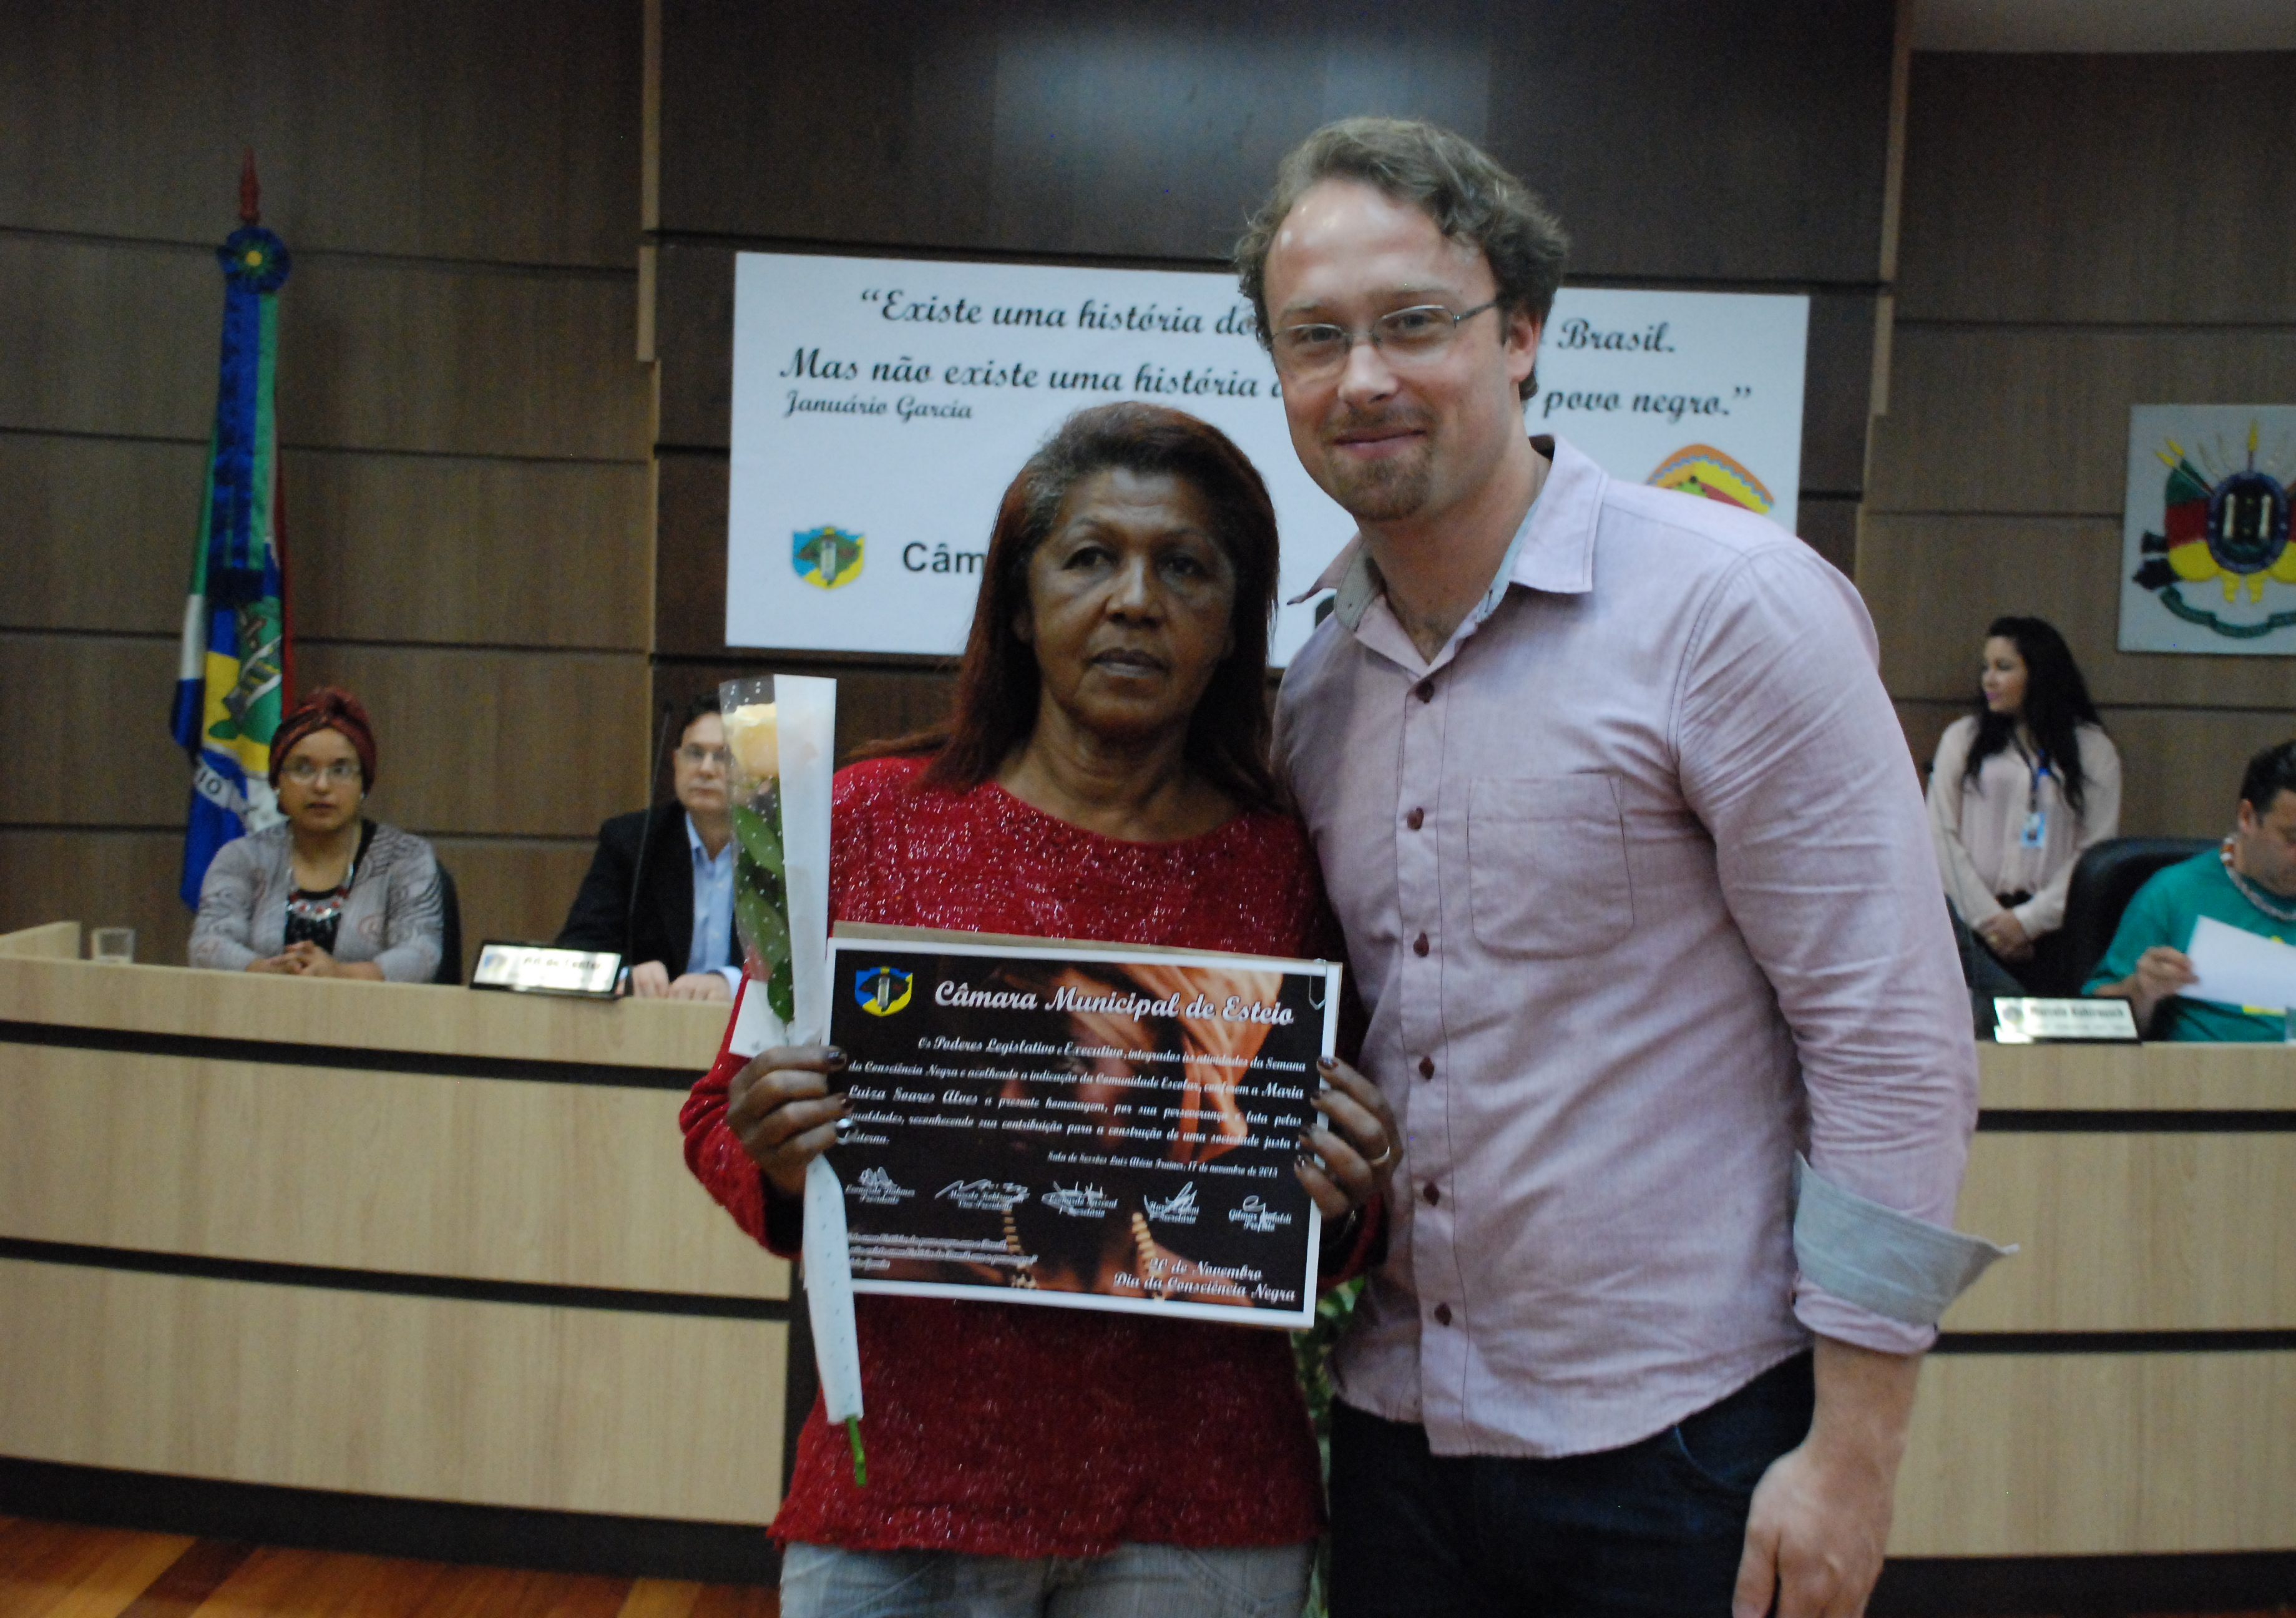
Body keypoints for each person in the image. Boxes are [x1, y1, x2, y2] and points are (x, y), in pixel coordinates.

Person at [1238, 118, 1998, 1618]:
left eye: (1413, 323)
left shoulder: (1731, 610)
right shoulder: (1316, 690)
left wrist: (1856, 1451)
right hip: (1396, 1440)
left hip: (1685, 1447)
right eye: (1313, 338)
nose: (1362, 377)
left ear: (1521, 331)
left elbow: (1890, 1041)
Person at [677, 402, 1404, 1618]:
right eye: (1089, 558)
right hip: (900, 1496)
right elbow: (717, 1116)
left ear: (1234, 625)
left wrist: (1346, 1195)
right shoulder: (851, 822)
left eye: (1186, 568)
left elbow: (1323, 1211)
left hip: (1199, 1514)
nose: (1135, 601)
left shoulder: (1287, 864)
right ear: (1017, 604)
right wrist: (777, 1144)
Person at [2086, 738, 2296, 1042]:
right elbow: (2094, 1025)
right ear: (2247, 817)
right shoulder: (2173, 896)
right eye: (2295, 839)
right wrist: (2142, 991)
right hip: (2206, 1082)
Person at [188, 687, 442, 983]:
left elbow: (421, 953)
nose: (321, 786)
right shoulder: (242, 858)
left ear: (364, 783)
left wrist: (341, 974)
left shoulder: (405, 858)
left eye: (340, 770)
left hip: (370, 1012)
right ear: (277, 781)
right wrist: (269, 971)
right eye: (303, 768)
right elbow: (207, 945)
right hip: (259, 1010)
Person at [1926, 616, 2122, 994]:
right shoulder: (1962, 738)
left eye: (2003, 667)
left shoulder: (2093, 749)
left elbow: (2096, 852)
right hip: (1969, 928)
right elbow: (1939, 836)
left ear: (2040, 673)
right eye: (1986, 667)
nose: (1989, 680)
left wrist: (2027, 922)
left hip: (2054, 932)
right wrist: (1990, 922)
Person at [557, 694, 741, 1000]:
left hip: (745, 1027)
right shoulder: (632, 841)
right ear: (676, 761)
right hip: (649, 1023)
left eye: (723, 756)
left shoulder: (780, 850)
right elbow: (577, 952)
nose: (706, 769)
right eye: (695, 753)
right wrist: (625, 975)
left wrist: (733, 984)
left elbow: (803, 967)